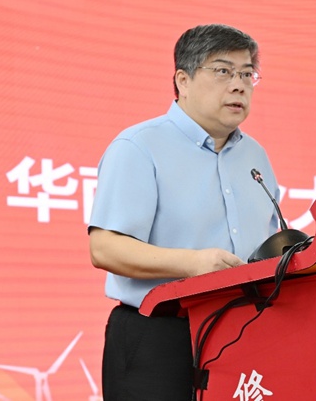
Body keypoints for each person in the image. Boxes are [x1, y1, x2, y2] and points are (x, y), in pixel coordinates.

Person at [88, 24, 281, 400]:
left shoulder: (255, 157)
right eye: (223, 71)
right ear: (183, 80)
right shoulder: (139, 147)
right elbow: (105, 248)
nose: (239, 85)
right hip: (160, 337)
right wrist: (192, 264)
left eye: (247, 74)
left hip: (243, 333)